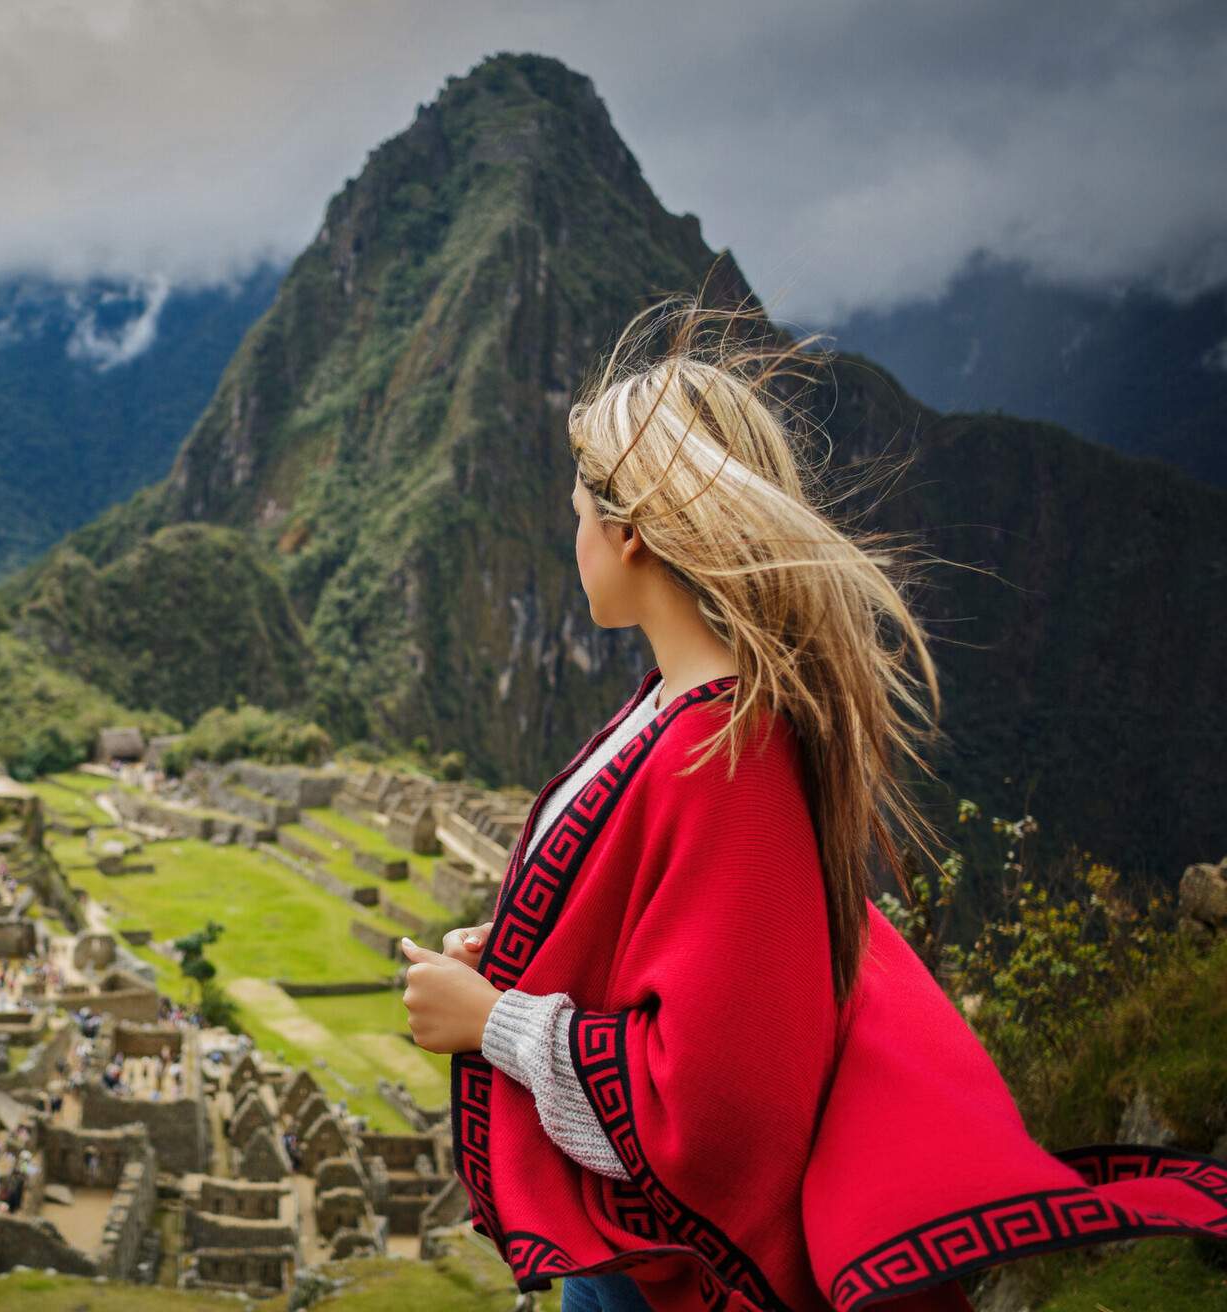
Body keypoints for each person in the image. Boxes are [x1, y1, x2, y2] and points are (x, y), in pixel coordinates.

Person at [395, 293, 1227, 1311]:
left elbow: (716, 1108)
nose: (571, 538)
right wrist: (528, 957)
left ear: (630, 534)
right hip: (624, 1252)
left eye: (577, 515)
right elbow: (662, 932)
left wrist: (496, 1023)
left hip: (666, 1280)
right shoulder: (679, 709)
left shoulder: (727, 753)